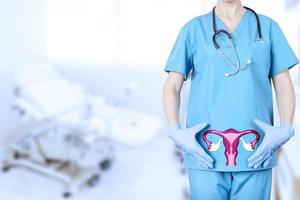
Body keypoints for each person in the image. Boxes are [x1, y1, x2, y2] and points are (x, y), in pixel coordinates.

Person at [162, 0, 299, 199]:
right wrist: (175, 130)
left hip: (256, 152)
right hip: (204, 153)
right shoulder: (193, 30)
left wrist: (286, 127)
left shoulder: (268, 28)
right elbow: (171, 86)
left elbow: (283, 85)